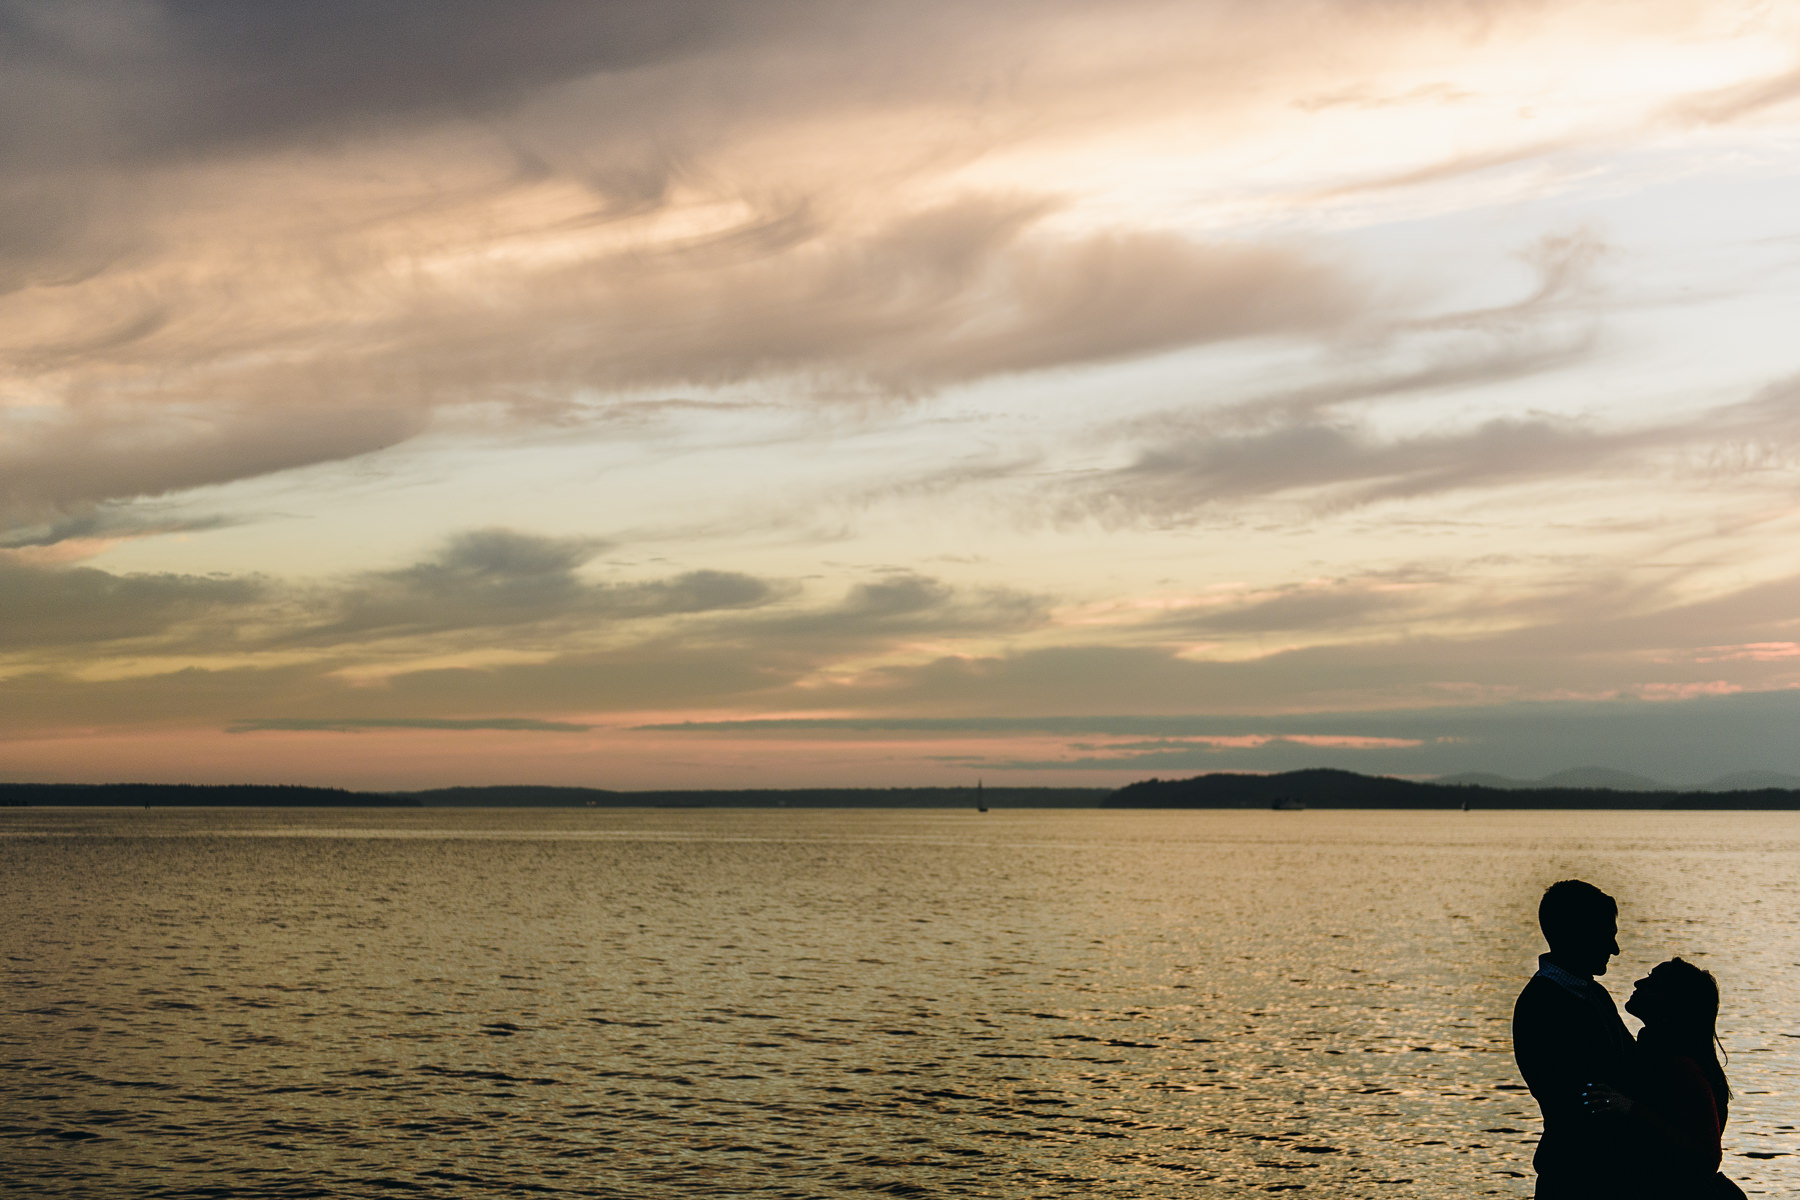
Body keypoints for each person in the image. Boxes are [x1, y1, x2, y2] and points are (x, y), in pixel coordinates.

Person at [1513, 879, 1638, 1198]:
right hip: (1577, 1176)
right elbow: (1579, 1095)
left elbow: (1634, 1066)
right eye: (1607, 936)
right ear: (1579, 934)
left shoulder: (1591, 993)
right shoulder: (1541, 1004)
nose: (1615, 949)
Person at [1584, 959, 1742, 1200]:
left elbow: (1706, 1158)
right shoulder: (1653, 1052)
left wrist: (1629, 1108)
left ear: (1672, 1003)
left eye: (1652, 981)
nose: (1639, 982)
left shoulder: (1680, 1067)